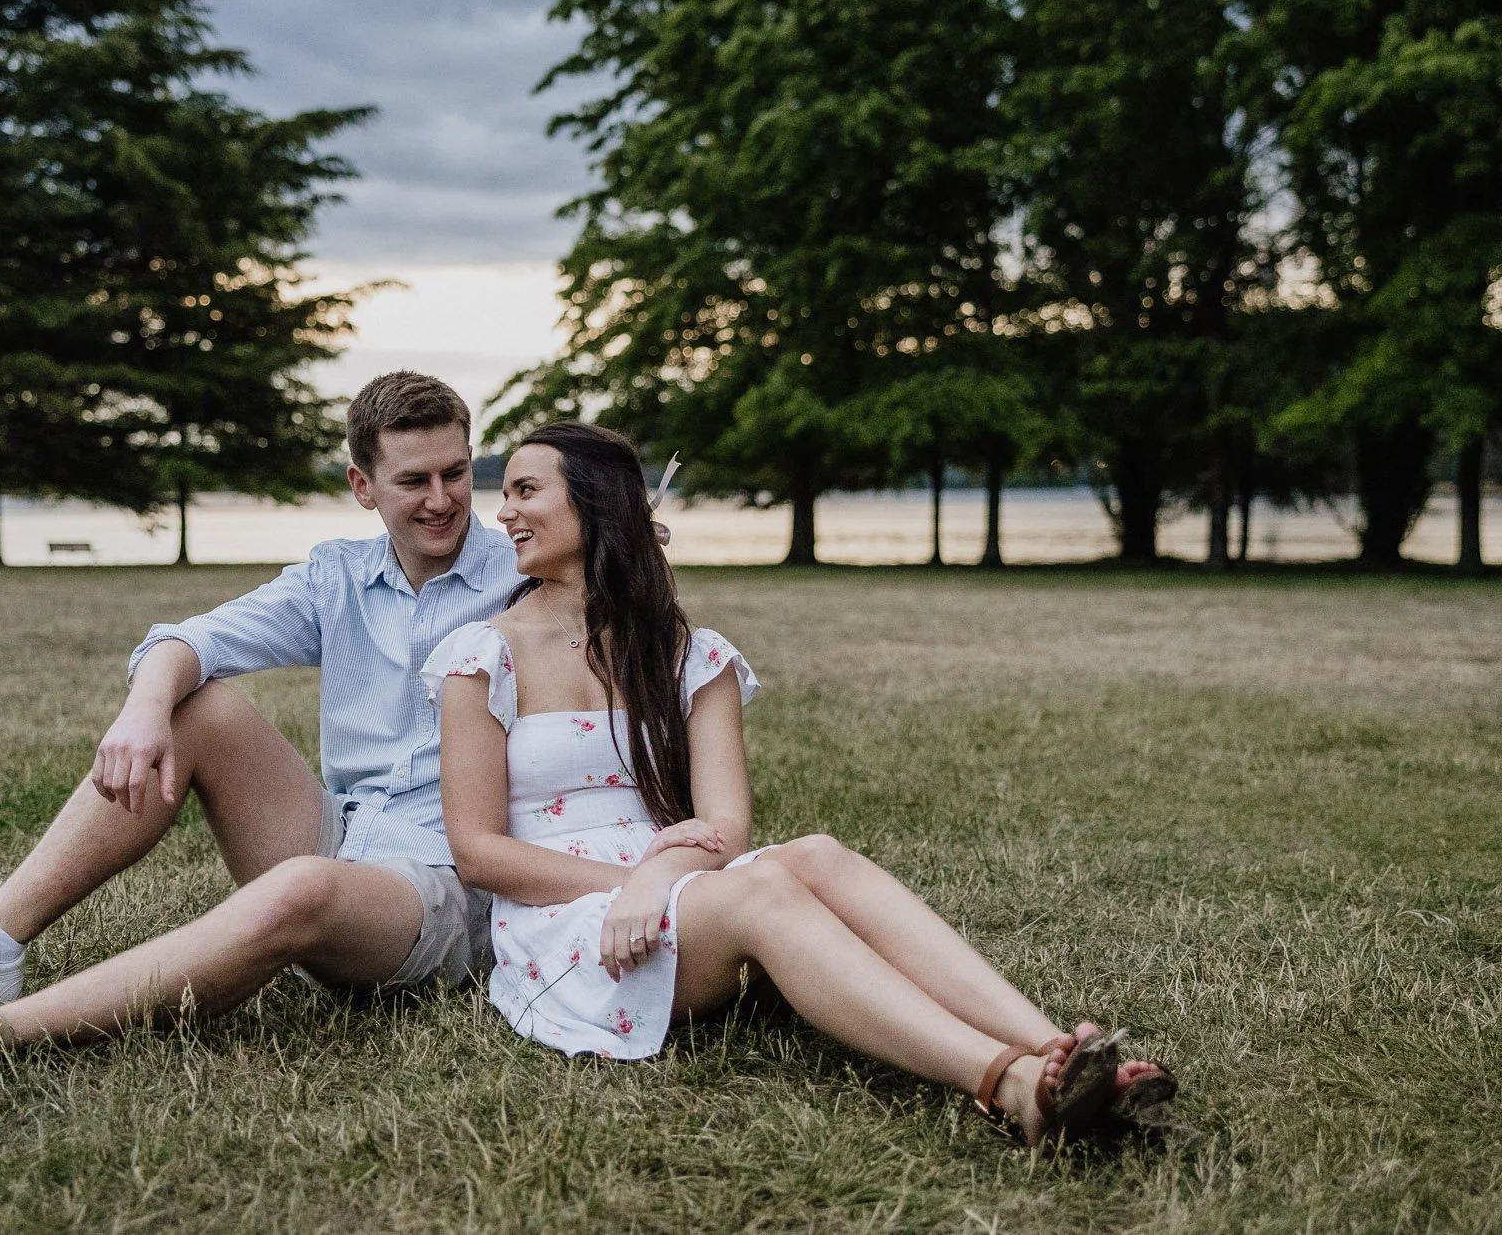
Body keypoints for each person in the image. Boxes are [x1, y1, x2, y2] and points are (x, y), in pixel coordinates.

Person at [426, 421, 1175, 1144]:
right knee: (763, 890)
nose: (505, 511)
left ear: (596, 502)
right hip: (570, 922)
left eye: (526, 490)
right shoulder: (482, 656)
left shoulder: (686, 651)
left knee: (816, 853)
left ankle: (1058, 1051)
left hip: (676, 884)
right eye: (507, 493)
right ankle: (1008, 1084)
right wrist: (632, 885)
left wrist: (658, 875)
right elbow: (478, 851)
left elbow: (727, 826)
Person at [0, 372, 521, 1105]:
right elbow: (189, 639)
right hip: (341, 835)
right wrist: (144, 711)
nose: (442, 499)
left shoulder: (527, 574)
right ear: (362, 486)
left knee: (302, 885)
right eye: (414, 481)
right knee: (194, 704)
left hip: (443, 887)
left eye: (455, 473)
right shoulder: (338, 574)